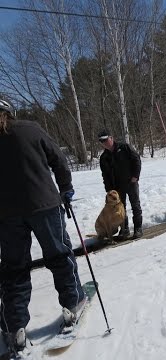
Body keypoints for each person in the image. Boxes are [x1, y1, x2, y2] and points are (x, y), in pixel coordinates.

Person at [0, 99, 85, 355]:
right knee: (59, 255)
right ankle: (72, 304)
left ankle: (15, 328)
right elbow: (58, 160)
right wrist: (66, 187)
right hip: (44, 205)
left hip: (7, 215)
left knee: (14, 269)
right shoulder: (30, 128)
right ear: (9, 112)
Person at [98, 130, 143, 239]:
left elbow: (136, 160)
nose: (105, 143)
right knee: (120, 210)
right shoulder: (104, 157)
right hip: (116, 187)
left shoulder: (124, 147)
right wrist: (108, 189)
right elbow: (105, 175)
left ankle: (138, 228)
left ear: (111, 138)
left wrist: (135, 176)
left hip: (130, 182)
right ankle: (124, 229)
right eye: (102, 142)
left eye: (106, 140)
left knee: (135, 205)